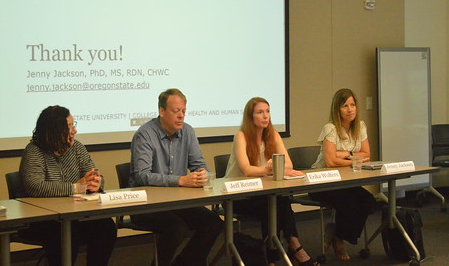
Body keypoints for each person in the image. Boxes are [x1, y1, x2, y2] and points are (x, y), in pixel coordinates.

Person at [129, 88, 222, 266]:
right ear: (161, 111)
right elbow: (141, 175)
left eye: (183, 111)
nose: (181, 116)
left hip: (177, 202)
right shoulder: (145, 134)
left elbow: (199, 164)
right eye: (175, 111)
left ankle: (183, 262)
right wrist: (180, 180)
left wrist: (202, 173)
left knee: (213, 223)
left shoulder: (188, 132)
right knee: (177, 228)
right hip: (146, 205)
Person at [225, 97, 319, 266]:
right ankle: (293, 249)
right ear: (250, 116)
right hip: (238, 196)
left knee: (278, 201)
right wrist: (269, 169)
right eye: (260, 112)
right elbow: (246, 170)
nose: (265, 116)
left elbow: (289, 164)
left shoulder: (273, 135)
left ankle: (279, 252)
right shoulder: (241, 136)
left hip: (263, 193)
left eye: (267, 111)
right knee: (275, 204)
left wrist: (277, 167)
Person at [19, 105, 117, 266]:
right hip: (43, 220)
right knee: (67, 234)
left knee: (105, 226)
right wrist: (76, 187)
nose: (74, 131)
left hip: (74, 215)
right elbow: (35, 187)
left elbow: (94, 174)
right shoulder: (34, 151)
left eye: (73, 125)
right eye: (70, 126)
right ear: (54, 131)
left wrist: (96, 184)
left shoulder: (77, 147)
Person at [310, 88, 376, 261]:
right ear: (337, 109)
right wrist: (354, 158)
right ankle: (339, 241)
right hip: (321, 182)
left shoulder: (360, 126)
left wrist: (344, 155)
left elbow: (367, 155)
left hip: (344, 181)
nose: (350, 109)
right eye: (345, 106)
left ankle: (337, 235)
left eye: (353, 105)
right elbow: (330, 162)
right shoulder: (330, 128)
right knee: (349, 204)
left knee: (368, 201)